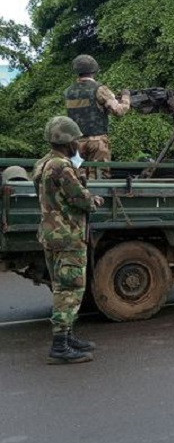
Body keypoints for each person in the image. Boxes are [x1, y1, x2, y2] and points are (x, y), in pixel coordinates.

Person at [33, 116, 104, 364]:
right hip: (68, 235)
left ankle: (69, 336)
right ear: (67, 141)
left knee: (61, 284)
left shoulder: (43, 163)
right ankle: (60, 345)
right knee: (70, 289)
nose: (78, 143)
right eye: (75, 139)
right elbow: (80, 198)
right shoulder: (62, 166)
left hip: (51, 233)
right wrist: (92, 200)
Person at [64, 54, 131, 179]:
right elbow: (119, 111)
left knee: (78, 178)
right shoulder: (100, 89)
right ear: (94, 70)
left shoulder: (68, 91)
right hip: (97, 143)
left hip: (75, 144)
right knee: (99, 180)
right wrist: (126, 97)